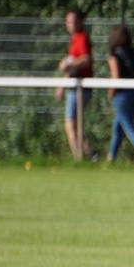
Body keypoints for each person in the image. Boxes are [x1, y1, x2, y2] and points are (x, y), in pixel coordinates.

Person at [106, 24, 134, 162]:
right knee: (117, 128)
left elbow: (116, 77)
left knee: (129, 128)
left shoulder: (114, 56)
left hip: (121, 96)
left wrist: (110, 93)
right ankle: (111, 157)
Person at [53, 9, 93, 160]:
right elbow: (73, 65)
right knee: (75, 124)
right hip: (74, 85)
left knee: (70, 123)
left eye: (75, 21)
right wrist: (62, 85)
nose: (72, 24)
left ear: (81, 22)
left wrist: (66, 66)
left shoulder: (81, 38)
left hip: (80, 87)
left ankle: (79, 158)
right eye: (69, 21)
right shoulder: (74, 39)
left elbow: (85, 59)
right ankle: (89, 154)